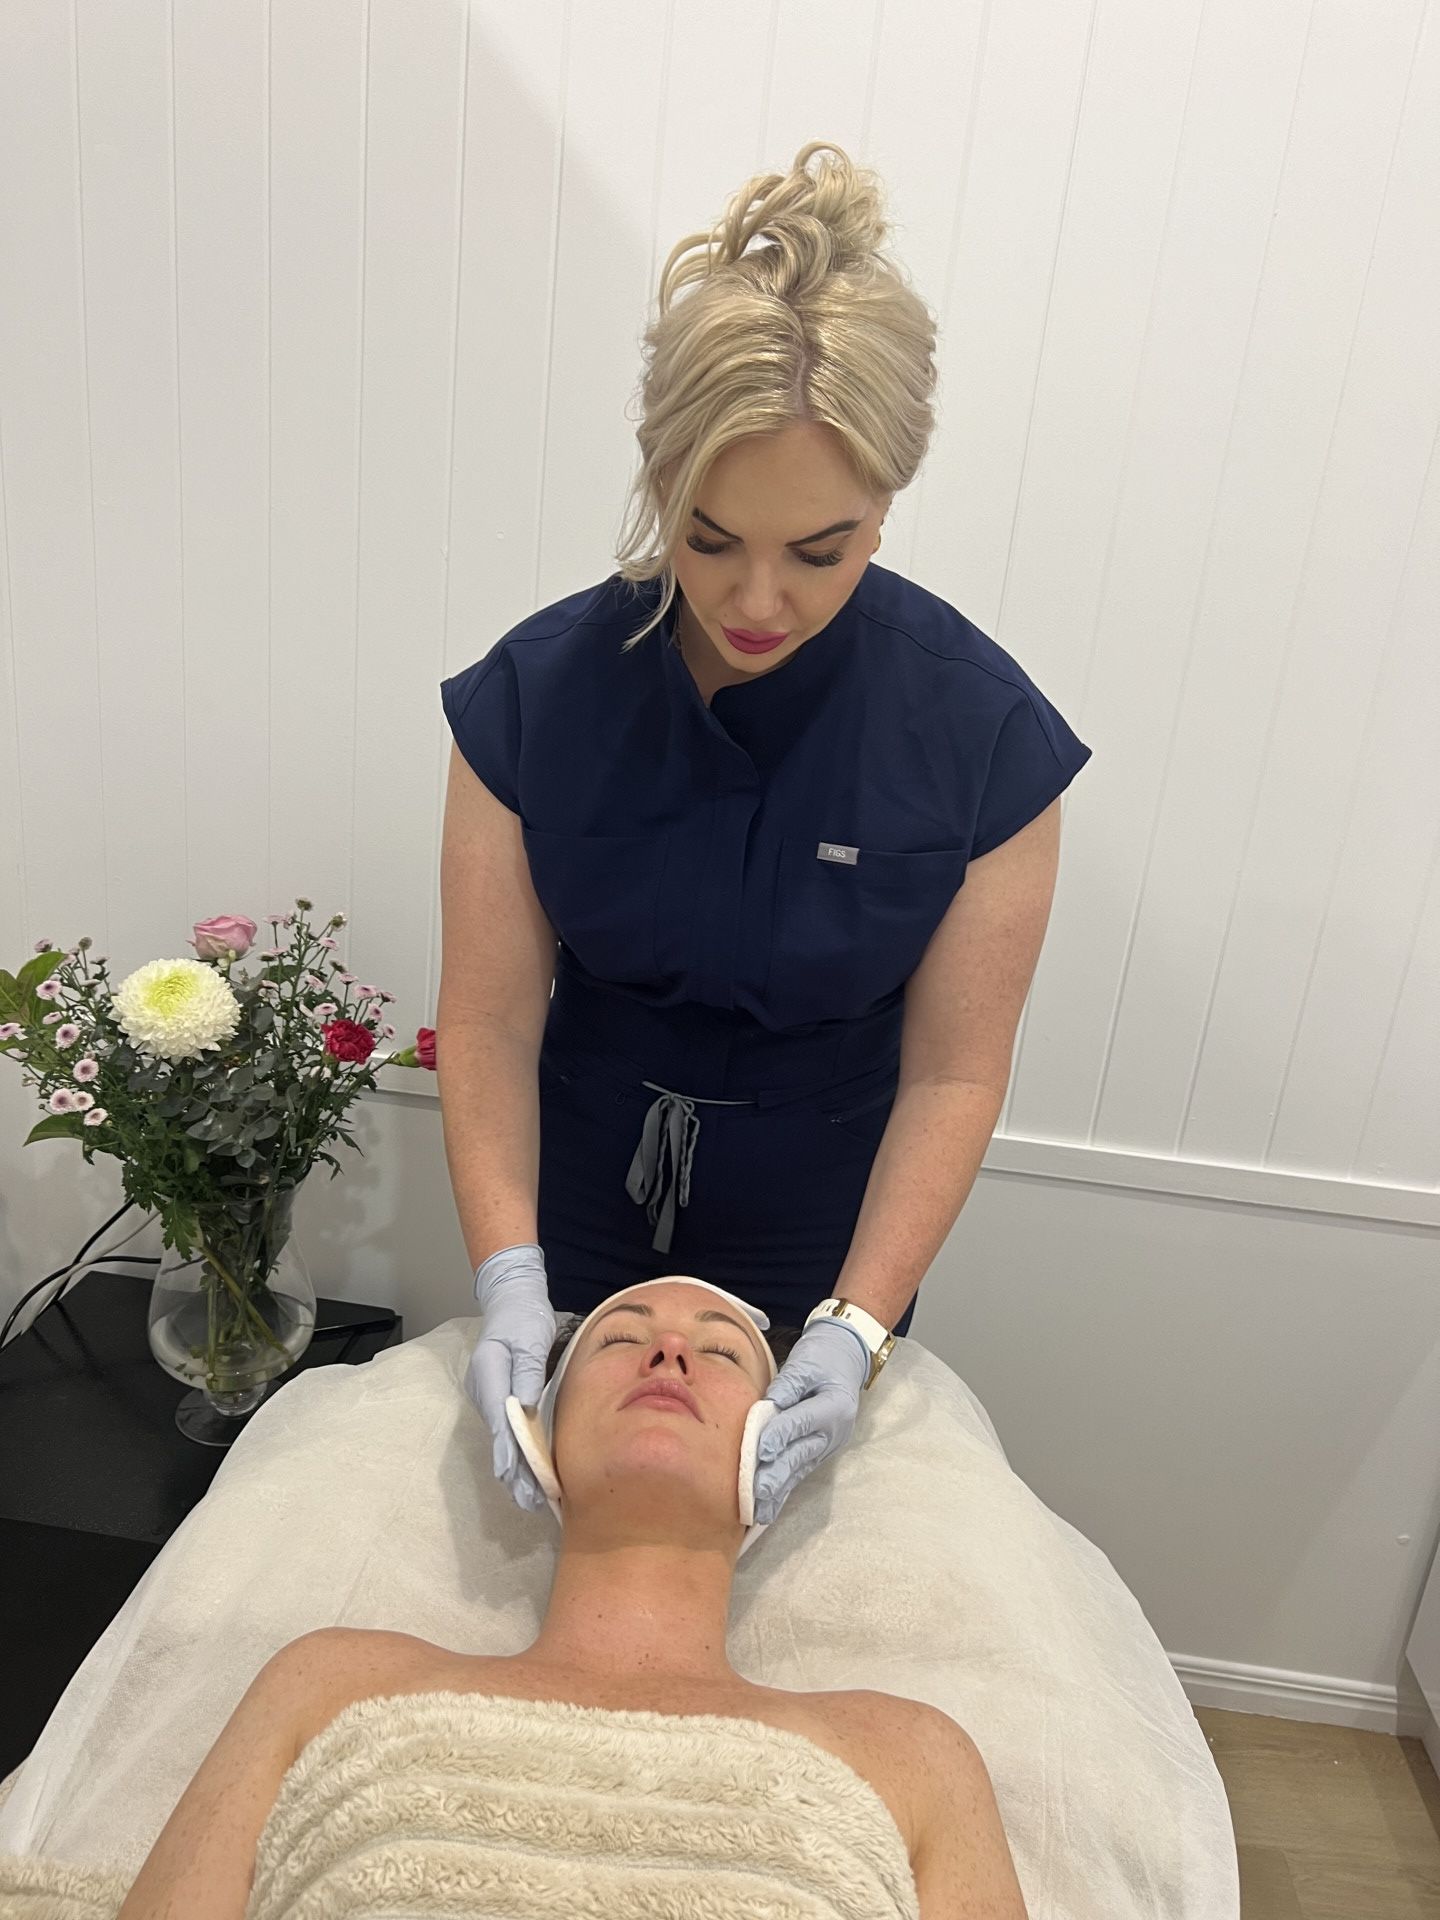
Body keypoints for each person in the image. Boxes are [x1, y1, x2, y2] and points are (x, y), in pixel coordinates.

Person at [440, 138, 1091, 1530]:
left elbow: (955, 1074)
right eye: (708, 535)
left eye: (819, 551)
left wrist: (854, 1327)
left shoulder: (981, 738)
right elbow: (488, 1023)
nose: (754, 601)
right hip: (575, 1194)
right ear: (659, 476)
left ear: (886, 508)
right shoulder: (536, 698)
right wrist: (509, 1275)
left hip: (829, 1223)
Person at [112, 1278, 1029, 1916]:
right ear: (537, 1435)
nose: (670, 1349)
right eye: (620, 1338)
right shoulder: (327, 1681)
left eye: (720, 1351)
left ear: (781, 1448)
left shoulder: (918, 1756)